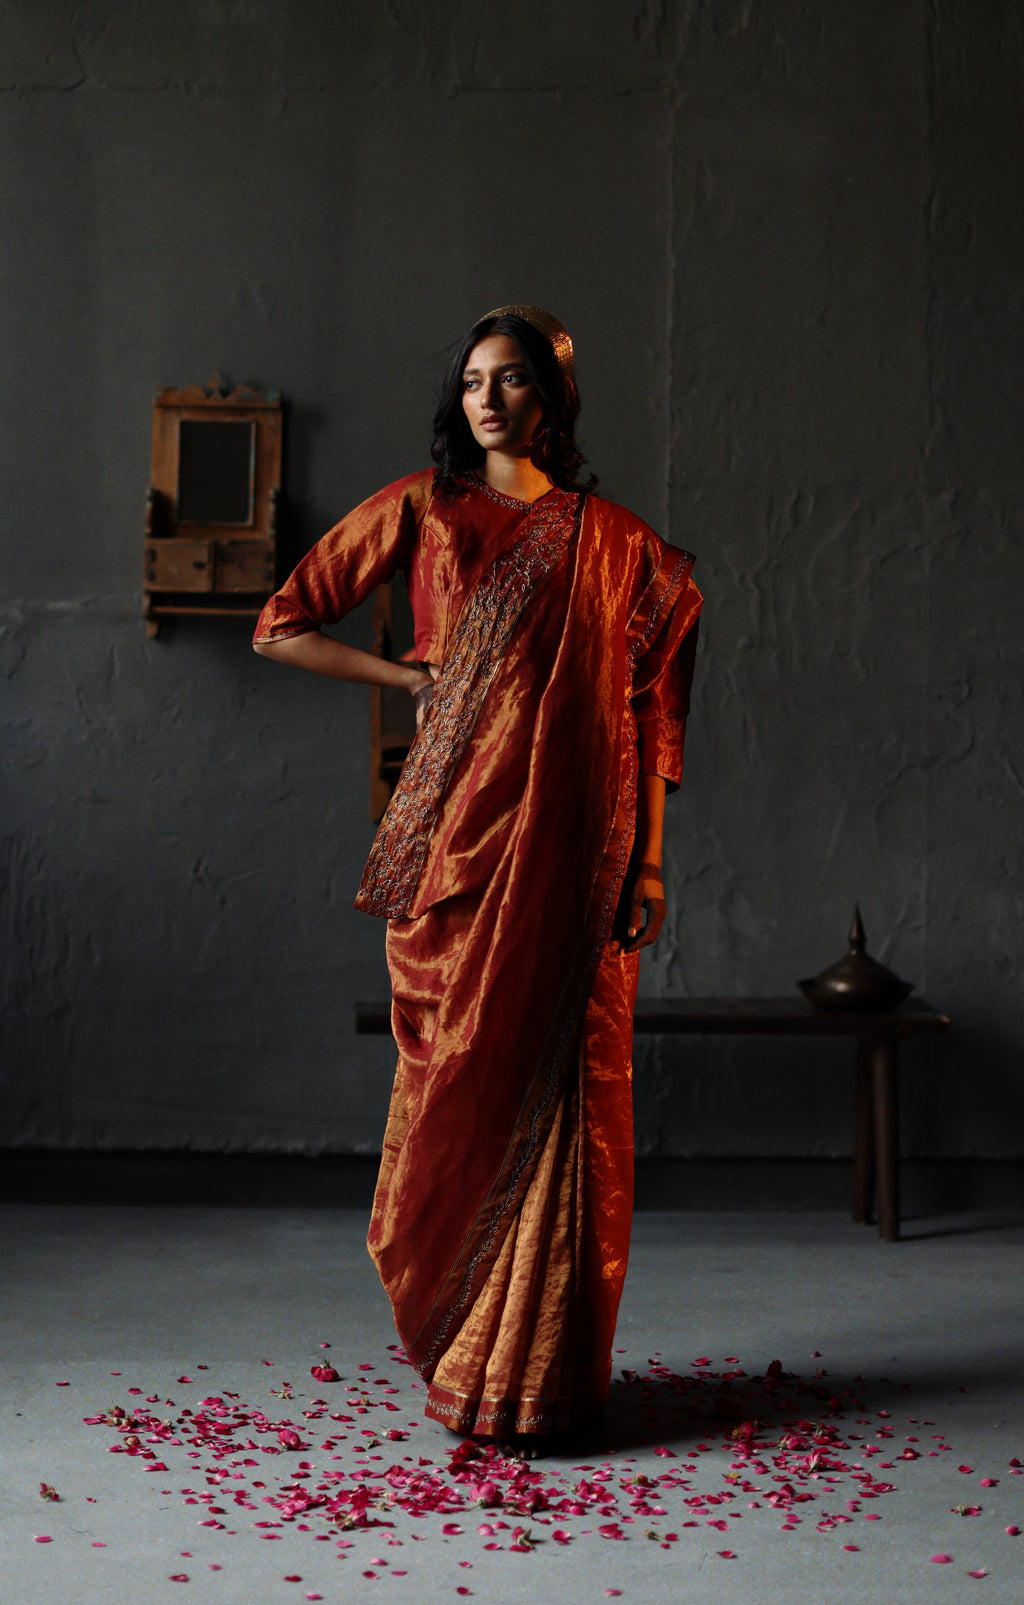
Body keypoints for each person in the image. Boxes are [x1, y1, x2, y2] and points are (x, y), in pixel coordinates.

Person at [253, 306, 702, 1455]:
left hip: (574, 846)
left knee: (565, 1096)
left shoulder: (616, 544)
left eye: (509, 380)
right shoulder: (423, 506)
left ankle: (543, 1379)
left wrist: (647, 854)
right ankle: (463, 1348)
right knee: (457, 1078)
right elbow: (283, 623)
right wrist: (407, 679)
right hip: (457, 843)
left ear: (552, 396)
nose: (487, 399)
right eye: (469, 382)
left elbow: (651, 705)